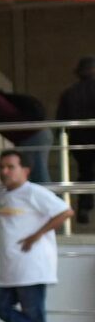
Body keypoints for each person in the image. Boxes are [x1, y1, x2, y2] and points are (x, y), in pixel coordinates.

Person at [0, 149, 69, 322]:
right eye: (2, 167)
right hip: (10, 267)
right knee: (0, 305)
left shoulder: (34, 192)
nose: (5, 171)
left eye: (10, 167)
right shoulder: (4, 196)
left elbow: (64, 211)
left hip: (32, 265)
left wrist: (37, 235)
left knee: (32, 311)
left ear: (25, 170)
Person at [58, 56, 95, 219]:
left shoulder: (69, 92)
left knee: (85, 173)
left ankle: (84, 209)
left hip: (78, 139)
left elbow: (61, 120)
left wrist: (62, 142)